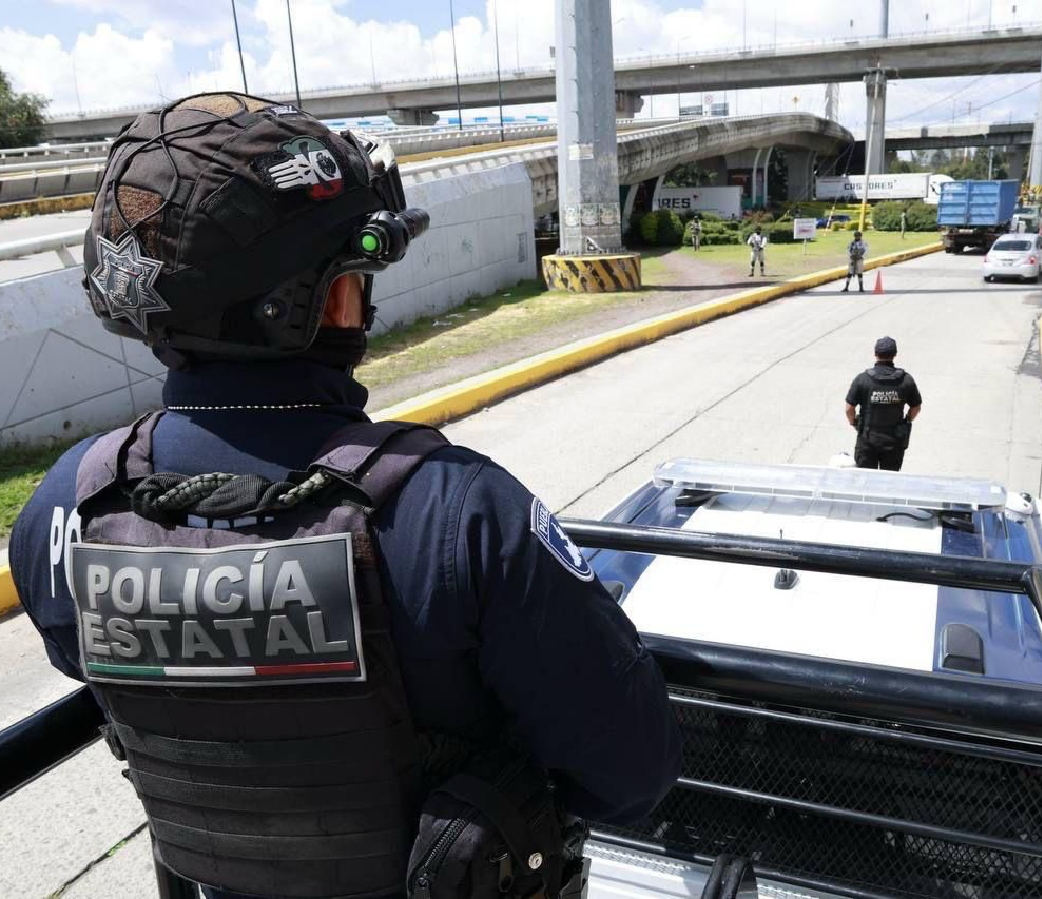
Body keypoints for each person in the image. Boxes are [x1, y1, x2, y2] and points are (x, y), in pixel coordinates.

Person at [9, 93, 681, 899]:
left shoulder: (65, 507)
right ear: (329, 298)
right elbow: (632, 770)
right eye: (356, 270)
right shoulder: (461, 513)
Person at [844, 336, 922, 471]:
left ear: (875, 354)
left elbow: (849, 409)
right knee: (889, 484)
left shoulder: (863, 379)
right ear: (895, 355)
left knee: (865, 483)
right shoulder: (906, 380)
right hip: (894, 443)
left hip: (867, 442)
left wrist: (855, 423)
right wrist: (907, 420)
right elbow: (916, 407)